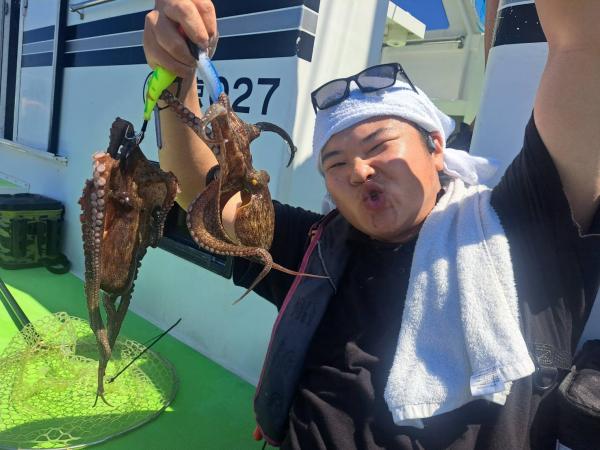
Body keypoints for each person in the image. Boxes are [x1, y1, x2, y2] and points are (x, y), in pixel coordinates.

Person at [143, 0, 600, 448]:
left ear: (436, 147)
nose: (358, 171)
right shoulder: (315, 247)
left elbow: (585, 44)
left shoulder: (524, 228)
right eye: (335, 163)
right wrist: (173, 74)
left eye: (379, 145)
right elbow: (200, 192)